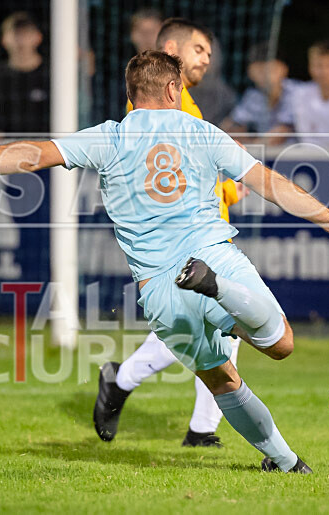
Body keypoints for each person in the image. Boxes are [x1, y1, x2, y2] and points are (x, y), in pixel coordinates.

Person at [0, 51, 329, 473]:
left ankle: (285, 463)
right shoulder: (202, 131)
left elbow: (33, 155)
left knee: (222, 380)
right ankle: (220, 290)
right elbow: (269, 182)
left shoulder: (110, 136)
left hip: (159, 290)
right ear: (174, 91)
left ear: (130, 95)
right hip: (211, 258)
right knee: (281, 344)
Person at [120, 18, 244, 449]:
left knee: (206, 327)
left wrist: (228, 186)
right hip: (182, 238)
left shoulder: (188, 106)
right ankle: (122, 383)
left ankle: (198, 427)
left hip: (206, 232)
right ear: (172, 48)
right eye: (199, 50)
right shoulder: (155, 106)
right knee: (209, 325)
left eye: (209, 52)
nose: (206, 58)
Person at [0, 12, 49, 134]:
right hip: (8, 149)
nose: (20, 39)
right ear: (4, 39)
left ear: (38, 37)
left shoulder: (53, 74)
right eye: (15, 33)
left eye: (25, 33)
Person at [221, 42, 299, 145]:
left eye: (271, 69)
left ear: (284, 69)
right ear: (250, 72)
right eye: (259, 70)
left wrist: (251, 144)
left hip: (306, 155)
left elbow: (281, 134)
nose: (265, 75)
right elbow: (228, 128)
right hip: (265, 155)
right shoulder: (253, 96)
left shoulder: (297, 92)